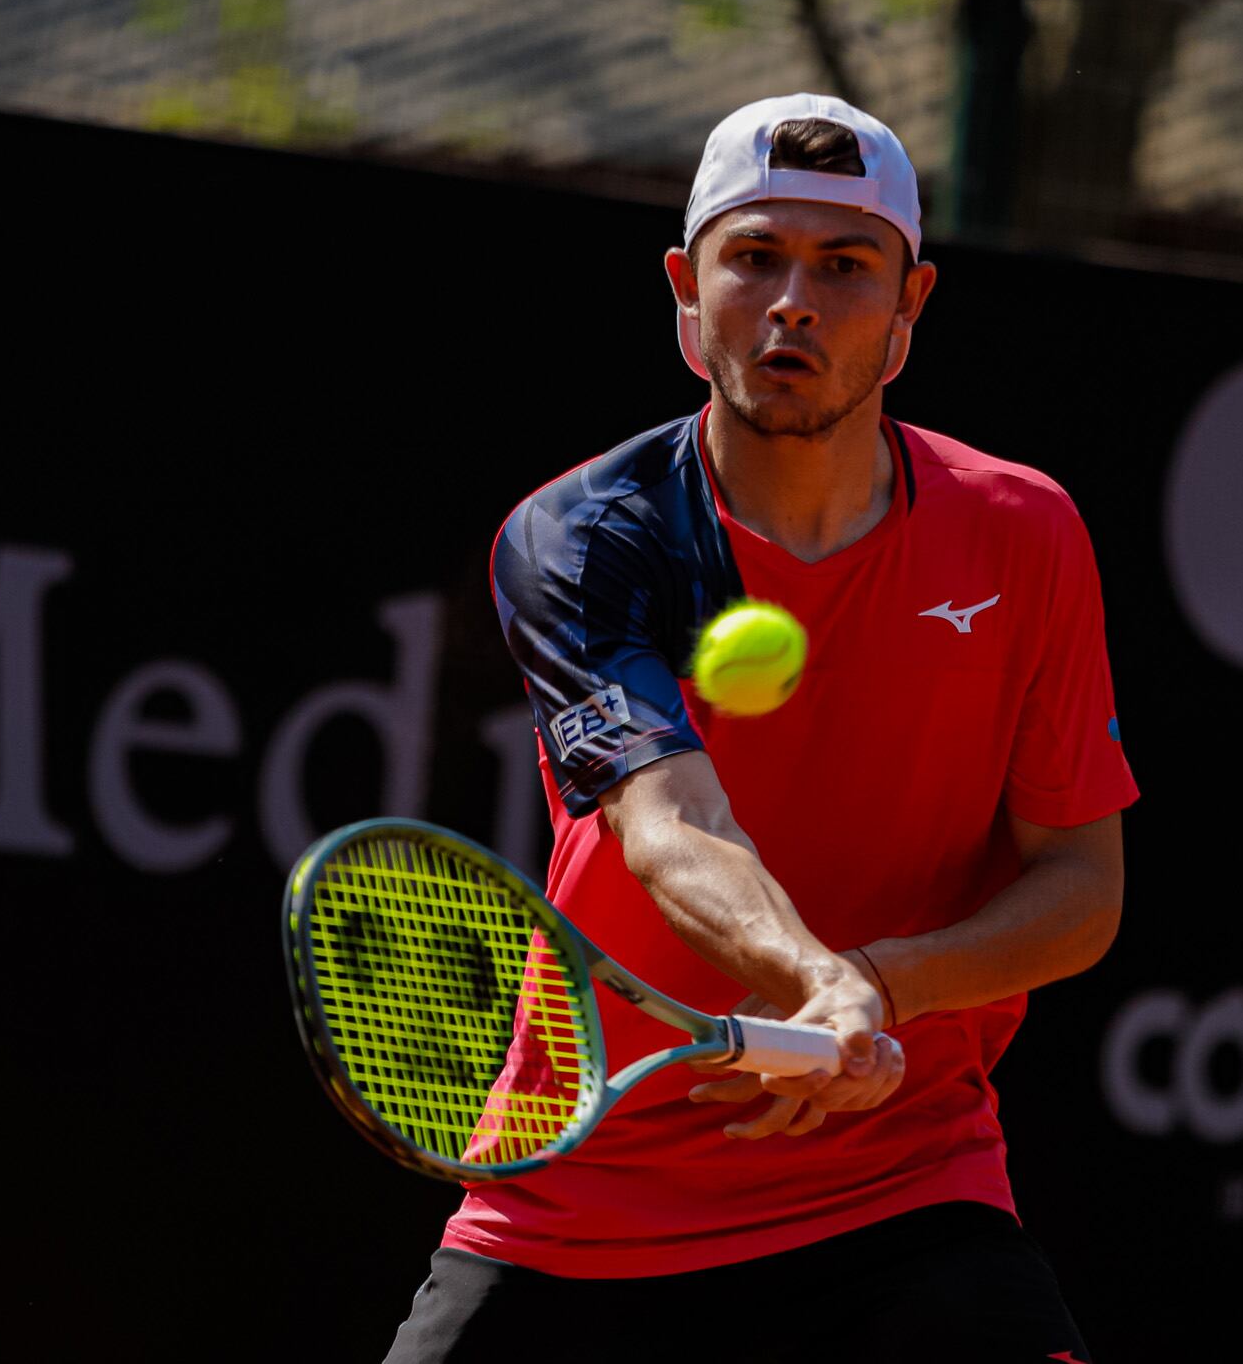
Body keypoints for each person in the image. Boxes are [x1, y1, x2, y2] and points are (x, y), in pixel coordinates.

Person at [385, 94, 1136, 1363]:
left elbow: (1079, 889)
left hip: (900, 1192)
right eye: (755, 259)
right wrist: (818, 978)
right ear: (687, 293)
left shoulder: (1025, 532)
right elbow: (670, 826)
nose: (793, 300)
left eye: (844, 268)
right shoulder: (583, 538)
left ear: (908, 311)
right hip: (583, 1194)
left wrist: (884, 983)